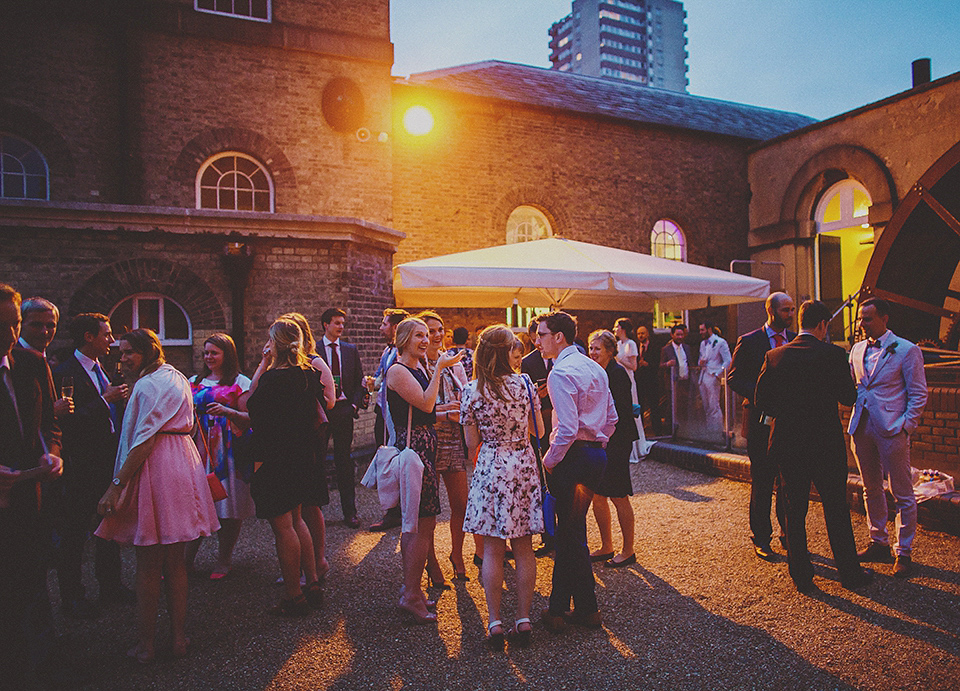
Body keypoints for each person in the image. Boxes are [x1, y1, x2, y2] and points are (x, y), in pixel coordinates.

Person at [96, 328, 219, 663]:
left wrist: (116, 485)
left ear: (148, 353)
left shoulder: (147, 385)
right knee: (176, 562)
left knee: (148, 562)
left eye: (127, 354)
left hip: (156, 465)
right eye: (120, 354)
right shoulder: (177, 377)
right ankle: (179, 638)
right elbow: (192, 424)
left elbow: (144, 440)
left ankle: (146, 645)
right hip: (182, 459)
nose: (121, 360)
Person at [755, 300, 871, 592]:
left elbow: (762, 402)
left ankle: (802, 575)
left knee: (794, 509)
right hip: (825, 442)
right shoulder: (833, 355)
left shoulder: (775, 355)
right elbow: (848, 397)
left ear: (801, 322)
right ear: (822, 325)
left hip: (788, 442)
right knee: (835, 507)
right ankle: (849, 573)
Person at [461, 325, 543, 650]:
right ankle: (523, 619)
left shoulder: (471, 391)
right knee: (524, 547)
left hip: (491, 463)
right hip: (522, 462)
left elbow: (471, 443)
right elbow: (540, 429)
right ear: (507, 351)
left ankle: (494, 621)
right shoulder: (524, 385)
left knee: (493, 549)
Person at [536, 311, 617, 633]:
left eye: (542, 334)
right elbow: (611, 419)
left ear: (559, 337)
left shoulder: (560, 372)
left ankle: (575, 610)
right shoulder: (595, 367)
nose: (537, 340)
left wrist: (549, 461)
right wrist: (598, 443)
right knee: (572, 535)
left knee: (570, 536)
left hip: (572, 457)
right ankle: (573, 608)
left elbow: (567, 429)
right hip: (595, 455)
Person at [0, 283, 63, 684]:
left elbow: (48, 425)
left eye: (14, 323)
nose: (9, 334)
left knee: (31, 588)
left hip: (29, 499)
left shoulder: (29, 364)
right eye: (1, 324)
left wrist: (51, 451)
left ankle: (39, 670)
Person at [53, 313, 132, 620]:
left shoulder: (105, 369)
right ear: (88, 337)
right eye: (107, 335)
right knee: (74, 533)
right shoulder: (64, 372)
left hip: (107, 461)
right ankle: (72, 597)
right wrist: (104, 399)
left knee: (108, 526)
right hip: (80, 464)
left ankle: (111, 585)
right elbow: (66, 423)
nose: (111, 341)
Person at [385, 317, 463, 624]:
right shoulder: (398, 371)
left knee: (426, 522)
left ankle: (414, 590)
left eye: (426, 334)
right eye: (418, 335)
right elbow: (427, 404)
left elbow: (427, 411)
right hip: (414, 453)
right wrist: (440, 369)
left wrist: (451, 409)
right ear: (403, 339)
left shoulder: (418, 368)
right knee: (416, 524)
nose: (425, 339)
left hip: (426, 448)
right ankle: (410, 594)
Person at [245, 318, 325, 615]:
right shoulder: (308, 373)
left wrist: (263, 363)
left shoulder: (272, 378)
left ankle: (294, 595)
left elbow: (251, 405)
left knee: (284, 527)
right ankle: (312, 581)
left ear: (274, 343)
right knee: (297, 519)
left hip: (277, 457)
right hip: (303, 455)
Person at [848, 297, 928, 578]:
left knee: (902, 490)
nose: (862, 323)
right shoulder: (856, 350)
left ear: (884, 318)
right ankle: (878, 541)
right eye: (860, 318)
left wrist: (906, 425)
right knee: (870, 488)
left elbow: (918, 392)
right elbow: (855, 385)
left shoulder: (907, 350)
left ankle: (903, 551)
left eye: (867, 318)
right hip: (862, 426)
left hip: (892, 428)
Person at [727, 292, 795, 561]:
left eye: (792, 310)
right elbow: (733, 378)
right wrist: (761, 395)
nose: (791, 314)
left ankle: (788, 532)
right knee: (763, 480)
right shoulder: (750, 341)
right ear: (771, 311)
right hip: (758, 421)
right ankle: (761, 537)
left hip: (788, 420)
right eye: (786, 310)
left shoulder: (795, 341)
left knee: (787, 478)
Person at [187, 333, 254, 580]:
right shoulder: (194, 380)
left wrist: (226, 411)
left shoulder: (241, 382)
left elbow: (249, 419)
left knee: (229, 506)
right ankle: (186, 560)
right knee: (195, 505)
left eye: (214, 352)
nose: (208, 357)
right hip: (198, 447)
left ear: (227, 354)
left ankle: (224, 559)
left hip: (230, 452)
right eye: (206, 353)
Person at [280, 313, 336, 585]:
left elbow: (330, 401)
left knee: (311, 503)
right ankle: (299, 563)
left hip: (310, 438)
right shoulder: (279, 366)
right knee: (295, 506)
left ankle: (319, 560)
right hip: (290, 439)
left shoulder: (315, 363)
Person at [419, 311, 471, 585]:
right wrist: (441, 410)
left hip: (452, 437)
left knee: (461, 503)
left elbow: (465, 393)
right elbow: (417, 405)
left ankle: (458, 554)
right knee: (428, 509)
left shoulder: (453, 363)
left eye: (440, 330)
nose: (437, 335)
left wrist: (460, 407)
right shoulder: (414, 364)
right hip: (427, 438)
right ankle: (431, 563)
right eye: (429, 331)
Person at [587, 330, 639, 568]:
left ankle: (628, 550)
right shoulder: (596, 372)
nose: (593, 352)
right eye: (590, 348)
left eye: (597, 348)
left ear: (610, 350)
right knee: (598, 494)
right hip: (600, 439)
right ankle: (607, 545)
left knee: (619, 495)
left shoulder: (617, 374)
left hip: (617, 441)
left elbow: (620, 413)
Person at [315, 307, 365, 528]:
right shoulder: (314, 350)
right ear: (326, 324)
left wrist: (354, 404)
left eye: (343, 323)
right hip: (322, 411)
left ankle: (350, 512)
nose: (341, 327)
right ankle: (316, 513)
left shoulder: (349, 350)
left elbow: (359, 380)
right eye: (337, 323)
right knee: (317, 460)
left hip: (344, 410)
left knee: (344, 461)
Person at [368, 308, 410, 533]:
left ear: (395, 327)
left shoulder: (404, 354)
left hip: (396, 416)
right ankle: (392, 510)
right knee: (384, 457)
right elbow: (380, 377)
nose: (381, 327)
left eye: (384, 324)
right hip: (382, 411)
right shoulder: (387, 351)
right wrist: (373, 382)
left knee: (395, 460)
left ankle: (397, 511)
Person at [520, 315, 555, 556]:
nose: (538, 345)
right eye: (534, 340)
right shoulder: (527, 362)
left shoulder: (560, 358)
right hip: (539, 424)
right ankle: (549, 536)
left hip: (560, 422)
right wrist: (539, 396)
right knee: (542, 481)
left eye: (540, 339)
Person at [19, 297, 73, 419]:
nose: (44, 332)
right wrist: (51, 412)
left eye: (50, 325)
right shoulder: (11, 360)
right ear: (21, 324)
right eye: (36, 325)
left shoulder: (50, 361)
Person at [697, 321, 732, 438]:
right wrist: (700, 362)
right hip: (703, 376)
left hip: (713, 376)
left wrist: (718, 374)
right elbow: (701, 359)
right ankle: (709, 431)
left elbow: (728, 360)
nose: (701, 332)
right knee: (706, 406)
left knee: (714, 405)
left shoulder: (720, 342)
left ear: (709, 329)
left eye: (702, 330)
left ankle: (716, 432)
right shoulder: (703, 343)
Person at [660, 323, 693, 435]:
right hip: (673, 383)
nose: (680, 337)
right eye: (677, 334)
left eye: (681, 334)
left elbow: (690, 363)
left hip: (685, 382)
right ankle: (670, 431)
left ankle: (684, 429)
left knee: (684, 406)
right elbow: (660, 365)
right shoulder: (666, 349)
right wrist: (667, 364)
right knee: (671, 406)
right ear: (672, 335)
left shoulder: (687, 348)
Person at [634, 324, 660, 435]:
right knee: (640, 405)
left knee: (654, 405)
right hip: (639, 380)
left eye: (642, 333)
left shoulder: (654, 347)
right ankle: (641, 430)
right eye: (639, 334)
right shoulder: (635, 347)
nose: (640, 336)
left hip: (651, 380)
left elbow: (658, 363)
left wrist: (648, 364)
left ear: (647, 334)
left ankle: (657, 430)